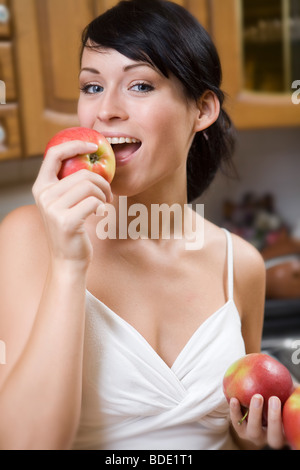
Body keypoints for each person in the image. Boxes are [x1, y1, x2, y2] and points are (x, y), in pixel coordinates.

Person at [0, 0, 287, 450]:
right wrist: (68, 265)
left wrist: (257, 439)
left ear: (202, 110)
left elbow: (228, 429)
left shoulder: (240, 265)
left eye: (139, 85)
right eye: (91, 87)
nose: (107, 110)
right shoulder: (28, 238)